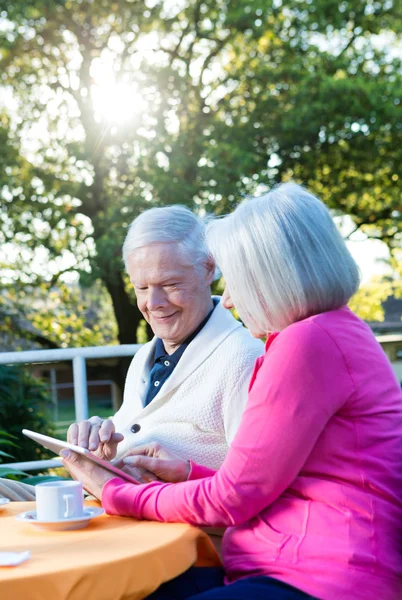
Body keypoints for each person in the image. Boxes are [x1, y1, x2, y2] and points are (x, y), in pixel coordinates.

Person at [61, 183, 402, 600]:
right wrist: (185, 472)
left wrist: (115, 491)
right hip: (289, 562)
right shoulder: (330, 332)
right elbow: (262, 483)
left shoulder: (307, 344)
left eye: (238, 282)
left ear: (274, 280)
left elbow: (232, 500)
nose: (229, 301)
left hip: (323, 577)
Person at [0, 205, 263, 501]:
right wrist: (102, 447)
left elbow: (249, 488)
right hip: (108, 502)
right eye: (141, 287)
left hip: (155, 519)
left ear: (209, 269)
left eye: (170, 284)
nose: (153, 302)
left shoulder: (245, 358)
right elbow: (134, 437)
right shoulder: (145, 357)